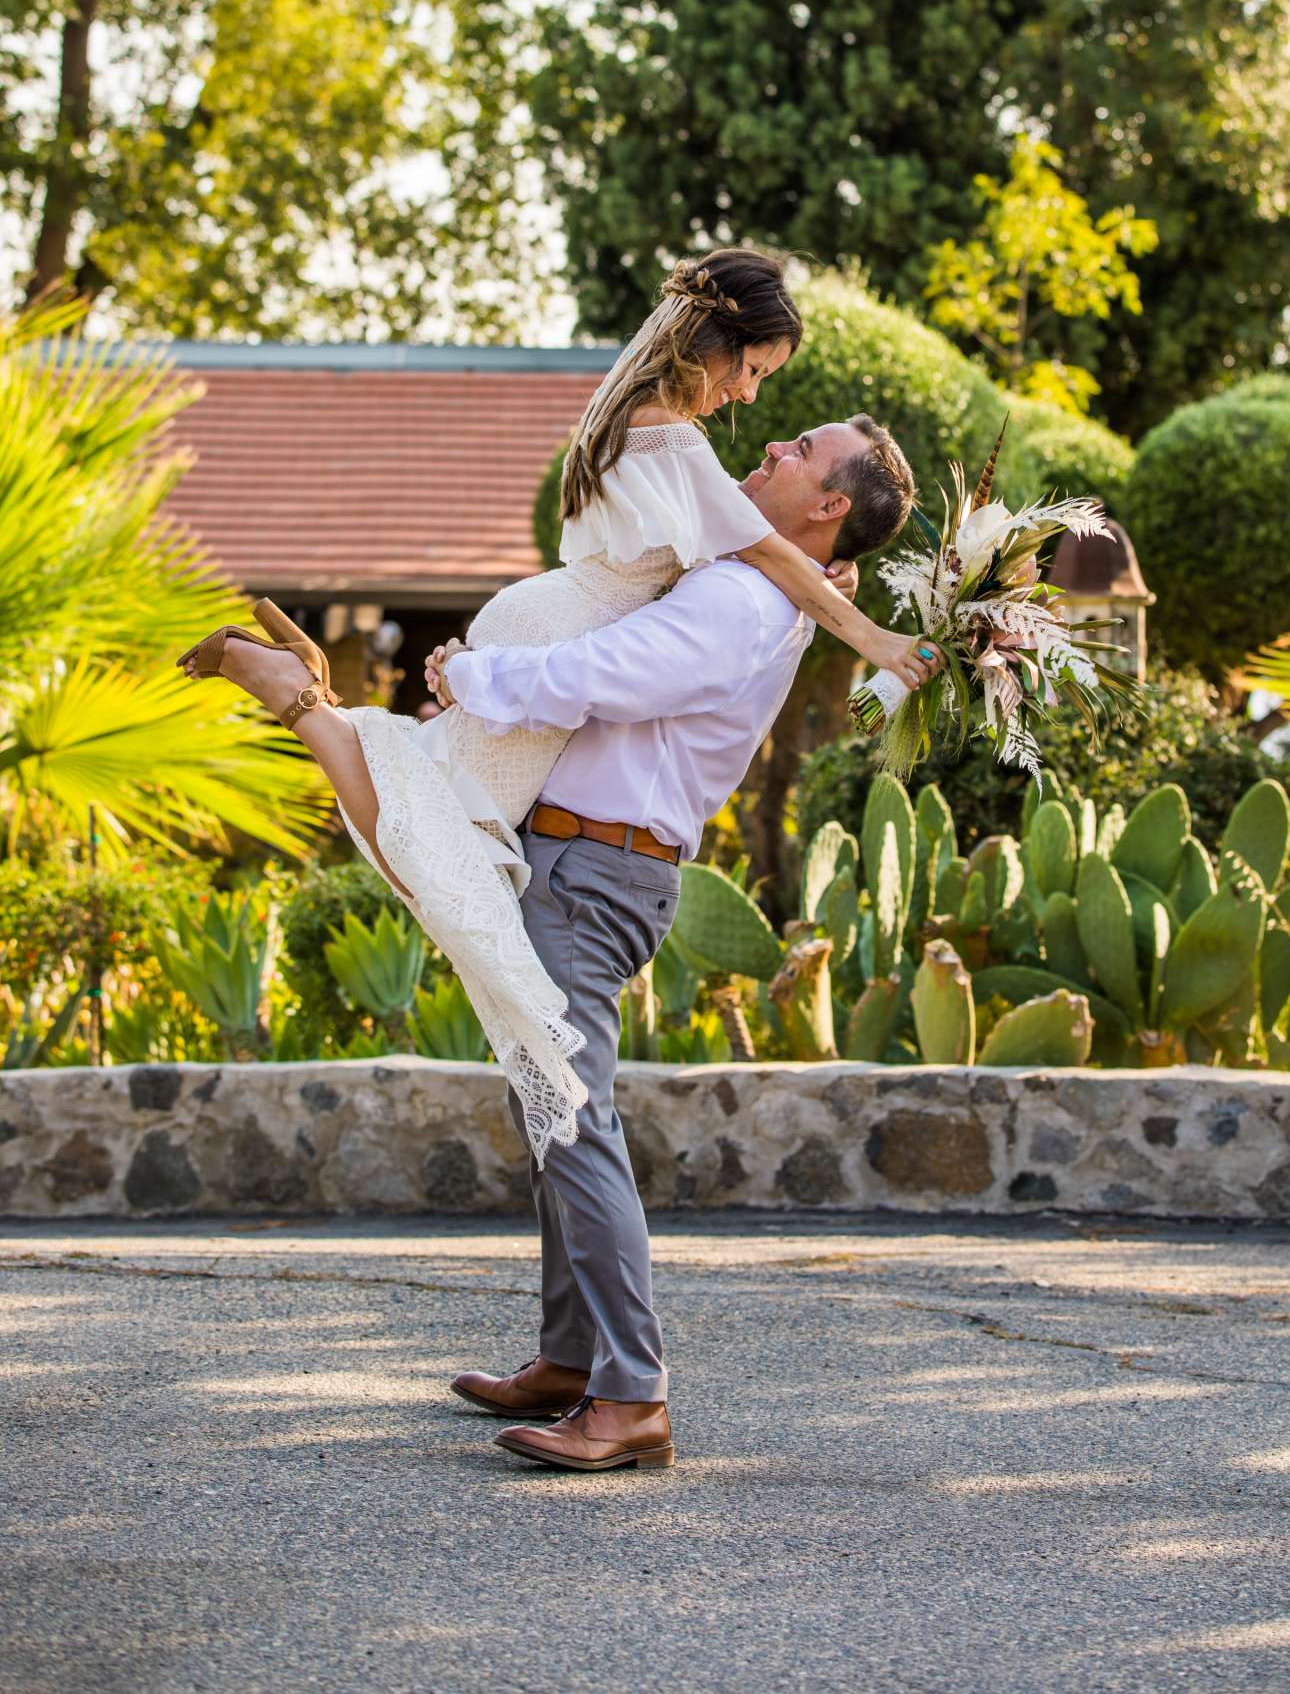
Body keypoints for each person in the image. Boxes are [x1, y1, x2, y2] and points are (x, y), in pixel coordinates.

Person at [177, 250, 940, 1161]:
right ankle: (298, 698)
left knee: (432, 838)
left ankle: (303, 690)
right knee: (436, 853)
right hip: (555, 641)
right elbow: (773, 558)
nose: (751, 399)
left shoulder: (633, 415)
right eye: (754, 371)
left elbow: (754, 555)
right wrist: (877, 638)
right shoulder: (680, 440)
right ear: (720, 344)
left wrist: (830, 564)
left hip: (545, 612)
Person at [436, 411, 920, 1473]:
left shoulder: (745, 594)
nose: (771, 448)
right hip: (586, 861)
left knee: (575, 1120)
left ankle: (631, 1394)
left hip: (594, 867)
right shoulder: (756, 579)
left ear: (829, 507)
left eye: (798, 450)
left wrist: (470, 677)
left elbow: (614, 672)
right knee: (550, 1109)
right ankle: (572, 1357)